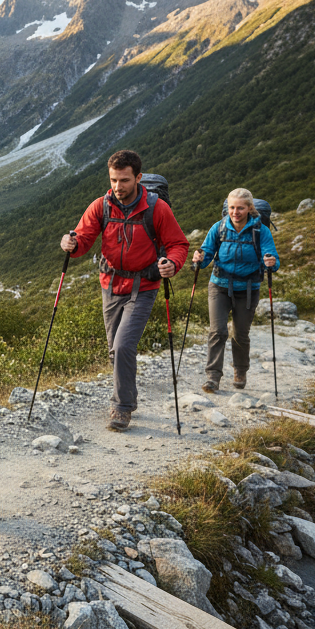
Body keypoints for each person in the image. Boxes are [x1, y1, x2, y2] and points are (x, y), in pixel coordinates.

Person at [60, 150, 188, 431]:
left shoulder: (157, 208)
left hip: (144, 286)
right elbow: (83, 239)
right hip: (111, 283)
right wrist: (71, 244)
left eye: (125, 180)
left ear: (138, 178)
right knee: (114, 350)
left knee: (123, 346)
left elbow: (178, 244)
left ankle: (121, 407)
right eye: (114, 180)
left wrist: (172, 263)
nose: (118, 187)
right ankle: (129, 395)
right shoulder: (101, 206)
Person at [191, 188, 280, 393]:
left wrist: (271, 262)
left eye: (240, 208)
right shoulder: (219, 227)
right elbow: (207, 252)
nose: (235, 212)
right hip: (219, 285)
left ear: (249, 208)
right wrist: (199, 259)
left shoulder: (261, 231)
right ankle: (213, 377)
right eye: (232, 207)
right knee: (218, 331)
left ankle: (240, 370)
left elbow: (272, 259)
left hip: (248, 289)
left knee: (240, 334)